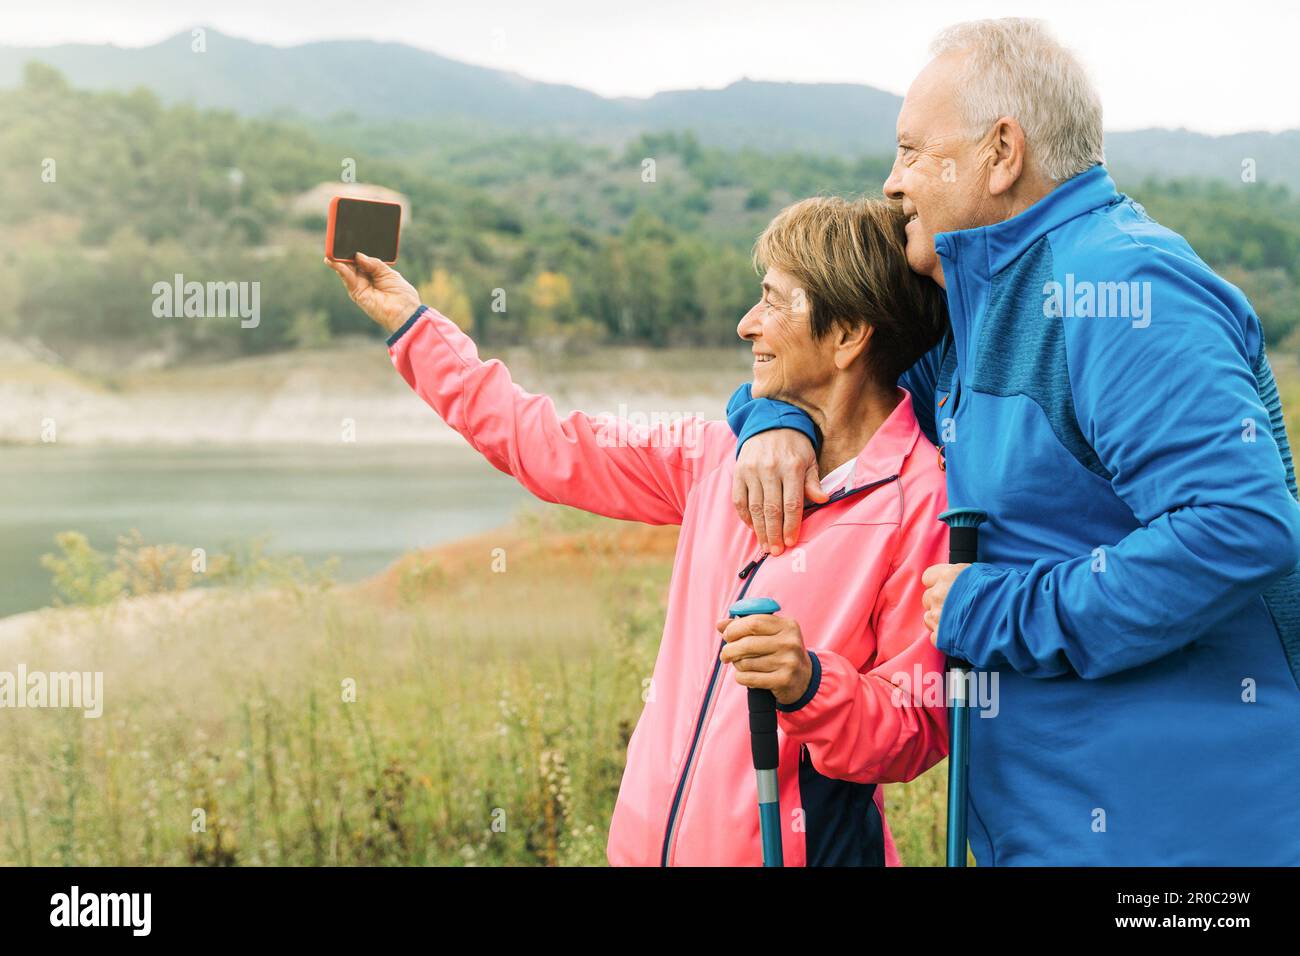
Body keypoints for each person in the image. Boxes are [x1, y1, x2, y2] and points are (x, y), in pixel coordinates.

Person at [727, 18, 1300, 865]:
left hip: (1179, 841)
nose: (891, 184)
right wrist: (778, 422)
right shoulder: (980, 316)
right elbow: (840, 386)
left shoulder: (1121, 284)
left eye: (914, 151)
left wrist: (997, 610)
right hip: (1054, 830)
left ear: (1001, 153)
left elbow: (1240, 525)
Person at [327, 196, 951, 865]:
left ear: (847, 336)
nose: (747, 325)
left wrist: (808, 683)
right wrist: (410, 323)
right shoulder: (717, 456)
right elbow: (545, 444)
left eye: (773, 301)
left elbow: (914, 730)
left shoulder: (921, 500)